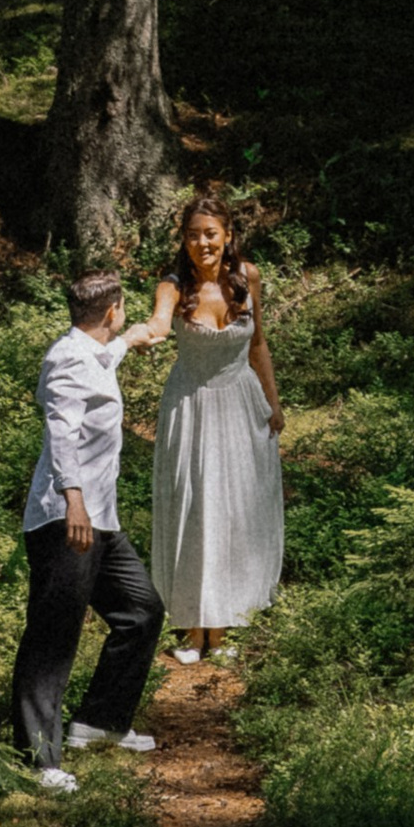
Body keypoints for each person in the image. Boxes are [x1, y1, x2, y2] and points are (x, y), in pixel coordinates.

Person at [12, 264, 167, 791]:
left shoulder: (93, 351)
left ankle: (98, 722)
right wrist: (72, 501)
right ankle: (39, 762)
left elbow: (110, 353)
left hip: (100, 520)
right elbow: (61, 433)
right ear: (110, 310)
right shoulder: (67, 362)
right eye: (122, 311)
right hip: (66, 520)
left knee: (141, 611)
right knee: (52, 638)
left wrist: (136, 336)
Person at [149, 193, 284, 663]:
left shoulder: (248, 277)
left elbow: (259, 344)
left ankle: (224, 627)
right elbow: (159, 325)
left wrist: (273, 403)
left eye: (210, 233)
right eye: (192, 235)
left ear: (227, 235)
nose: (202, 243)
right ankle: (192, 630)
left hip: (241, 401)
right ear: (183, 240)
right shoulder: (171, 285)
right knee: (195, 508)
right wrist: (133, 338)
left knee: (235, 511)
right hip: (191, 405)